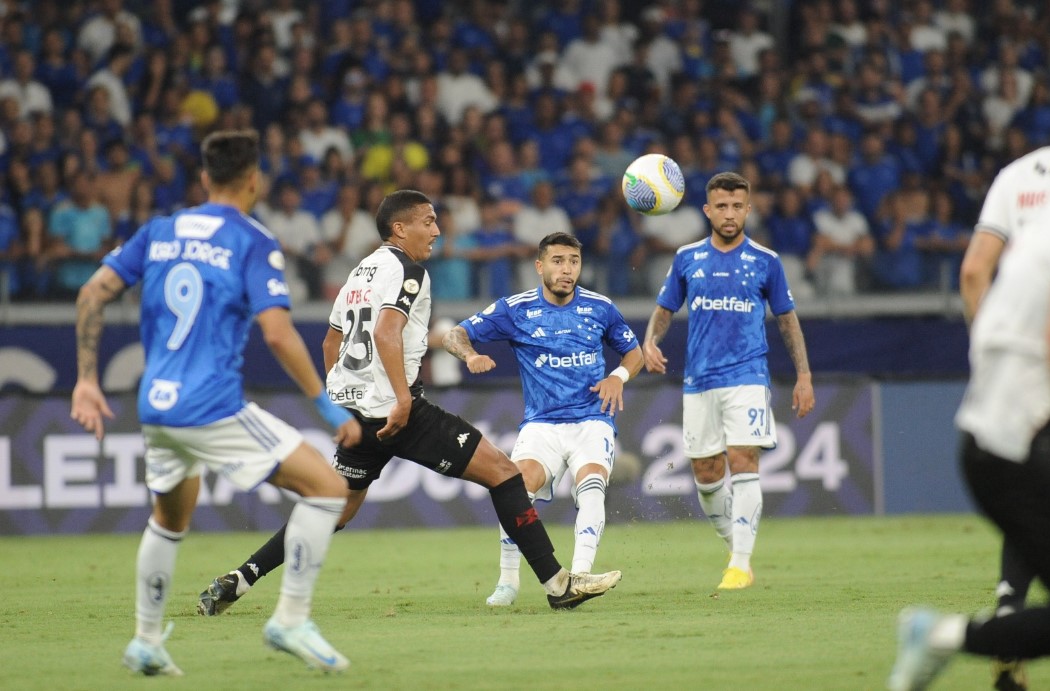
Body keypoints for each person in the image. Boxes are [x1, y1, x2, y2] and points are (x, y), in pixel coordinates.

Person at [196, 190, 623, 616]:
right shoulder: (410, 271)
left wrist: (340, 400)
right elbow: (385, 333)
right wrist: (401, 400)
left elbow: (331, 341)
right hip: (398, 411)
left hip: (358, 414)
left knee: (335, 508)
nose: (437, 230)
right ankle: (557, 583)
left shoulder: (359, 272)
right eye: (428, 221)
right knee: (504, 474)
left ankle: (243, 577)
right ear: (400, 228)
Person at [68, 130, 363, 675]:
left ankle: (147, 640)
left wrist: (86, 380)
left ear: (204, 178)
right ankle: (291, 619)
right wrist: (324, 404)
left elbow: (91, 293)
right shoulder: (251, 240)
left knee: (169, 518)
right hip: (211, 406)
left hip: (155, 409)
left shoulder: (158, 232)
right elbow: (277, 333)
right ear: (255, 180)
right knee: (328, 489)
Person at [887, 155, 1050, 691]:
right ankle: (948, 635)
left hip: (996, 430)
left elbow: (974, 271)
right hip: (1025, 436)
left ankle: (956, 635)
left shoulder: (1023, 180)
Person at [442, 232, 643, 606]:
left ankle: (580, 575)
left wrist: (618, 377)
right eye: (558, 261)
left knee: (593, 483)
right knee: (516, 488)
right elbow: (454, 334)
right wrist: (469, 355)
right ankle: (507, 582)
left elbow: (635, 353)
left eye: (573, 261)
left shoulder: (600, 307)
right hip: (541, 424)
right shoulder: (515, 309)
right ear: (539, 266)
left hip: (591, 419)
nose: (567, 270)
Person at [641, 171, 816, 591]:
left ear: (748, 209)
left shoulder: (766, 261)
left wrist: (804, 376)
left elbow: (788, 322)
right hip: (699, 380)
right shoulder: (686, 258)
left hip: (748, 375)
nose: (730, 213)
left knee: (743, 461)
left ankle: (739, 564)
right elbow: (665, 308)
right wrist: (649, 341)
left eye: (737, 206)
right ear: (708, 210)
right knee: (705, 475)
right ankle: (737, 547)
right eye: (721, 206)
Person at [940, 147, 1050, 691]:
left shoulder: (1017, 176)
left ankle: (1004, 617)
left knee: (1031, 504)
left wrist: (989, 355)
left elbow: (972, 273)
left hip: (1004, 397)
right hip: (1040, 387)